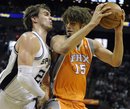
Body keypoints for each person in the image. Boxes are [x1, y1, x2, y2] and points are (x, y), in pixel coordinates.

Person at [44, 3, 125, 109]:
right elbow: (64, 49)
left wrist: (118, 31)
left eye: (72, 23)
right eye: (67, 23)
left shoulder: (92, 45)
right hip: (58, 100)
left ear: (82, 25)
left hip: (79, 103)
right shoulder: (58, 39)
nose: (68, 26)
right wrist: (92, 24)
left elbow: (116, 61)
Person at [0, 4, 53, 109]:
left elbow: (44, 79)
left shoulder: (47, 48)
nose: (50, 17)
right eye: (46, 14)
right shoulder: (29, 38)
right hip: (6, 96)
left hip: (28, 101)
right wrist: (42, 95)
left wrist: (45, 90)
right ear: (34, 19)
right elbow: (23, 77)